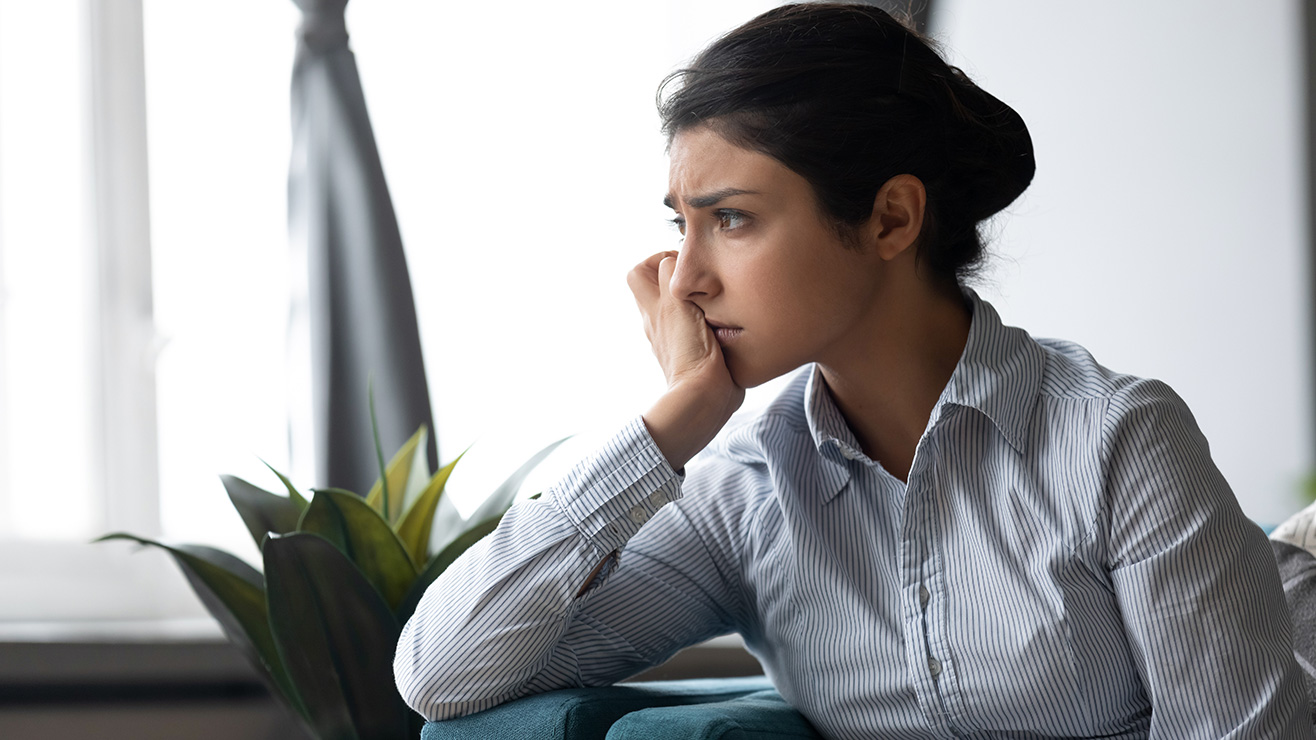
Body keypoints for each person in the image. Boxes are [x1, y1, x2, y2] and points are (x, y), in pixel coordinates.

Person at [394, 4, 1312, 737]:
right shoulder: (744, 498)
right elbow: (442, 672)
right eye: (684, 224)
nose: (687, 277)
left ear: (889, 220)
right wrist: (668, 426)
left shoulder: (1117, 441)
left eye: (735, 219)